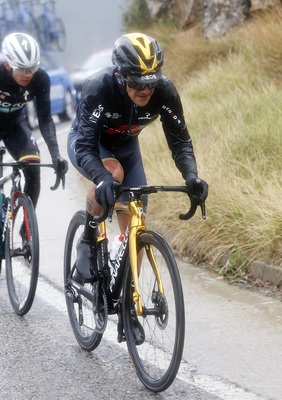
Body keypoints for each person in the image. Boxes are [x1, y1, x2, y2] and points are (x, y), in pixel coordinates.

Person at [67, 32, 208, 282]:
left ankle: (129, 296)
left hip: (126, 146)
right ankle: (87, 241)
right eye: (138, 83)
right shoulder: (99, 87)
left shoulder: (164, 92)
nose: (146, 90)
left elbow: (180, 141)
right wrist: (101, 178)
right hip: (89, 145)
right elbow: (85, 146)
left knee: (137, 218)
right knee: (112, 175)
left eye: (151, 83)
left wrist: (191, 175)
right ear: (121, 76)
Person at [0, 32, 68, 266]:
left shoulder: (40, 78)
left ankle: (26, 228)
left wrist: (55, 154)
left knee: (33, 168)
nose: (28, 74)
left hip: (14, 125)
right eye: (22, 69)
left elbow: (45, 119)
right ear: (7, 64)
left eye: (32, 67)